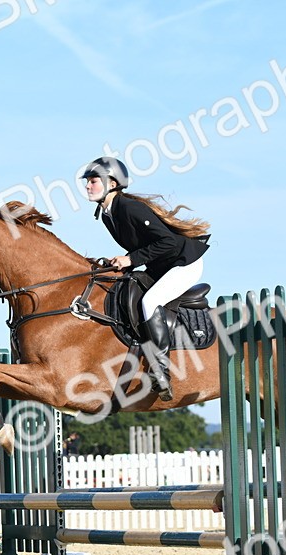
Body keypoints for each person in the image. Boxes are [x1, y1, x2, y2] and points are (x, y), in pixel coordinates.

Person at [80, 156, 210, 401]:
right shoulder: (108, 213)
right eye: (87, 181)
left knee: (149, 302)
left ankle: (161, 372)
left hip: (184, 262)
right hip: (161, 264)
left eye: (93, 181)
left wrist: (130, 259)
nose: (88, 186)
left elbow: (168, 241)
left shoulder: (128, 207)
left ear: (112, 183)